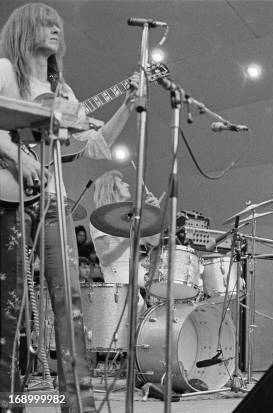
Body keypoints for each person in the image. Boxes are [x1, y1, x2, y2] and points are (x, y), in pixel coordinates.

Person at [0, 4, 137, 411]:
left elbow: (91, 142)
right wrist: (15, 155)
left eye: (59, 26)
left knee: (69, 304)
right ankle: (8, 400)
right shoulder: (5, 70)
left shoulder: (64, 91)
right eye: (47, 24)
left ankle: (79, 404)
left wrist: (127, 105)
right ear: (25, 29)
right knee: (12, 305)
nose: (57, 30)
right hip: (9, 196)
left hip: (54, 198)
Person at [90, 170, 159, 311]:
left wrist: (154, 214)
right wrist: (130, 236)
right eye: (121, 182)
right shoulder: (100, 220)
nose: (127, 184)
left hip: (138, 284)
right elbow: (105, 259)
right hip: (118, 289)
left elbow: (155, 241)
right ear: (112, 189)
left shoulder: (133, 217)